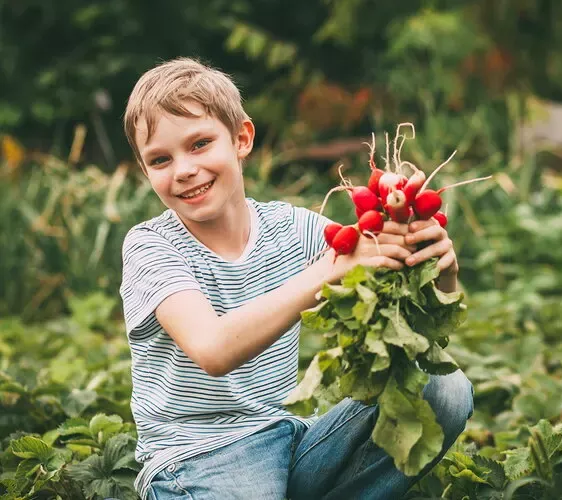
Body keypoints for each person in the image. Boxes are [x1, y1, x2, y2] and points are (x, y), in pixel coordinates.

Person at [119, 56, 474, 500]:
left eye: (199, 144)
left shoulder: (294, 229)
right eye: (159, 160)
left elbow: (414, 332)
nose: (183, 170)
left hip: (293, 442)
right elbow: (212, 349)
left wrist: (436, 271)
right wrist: (330, 270)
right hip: (198, 458)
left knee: (442, 389)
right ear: (146, 171)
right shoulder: (151, 246)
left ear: (242, 139)